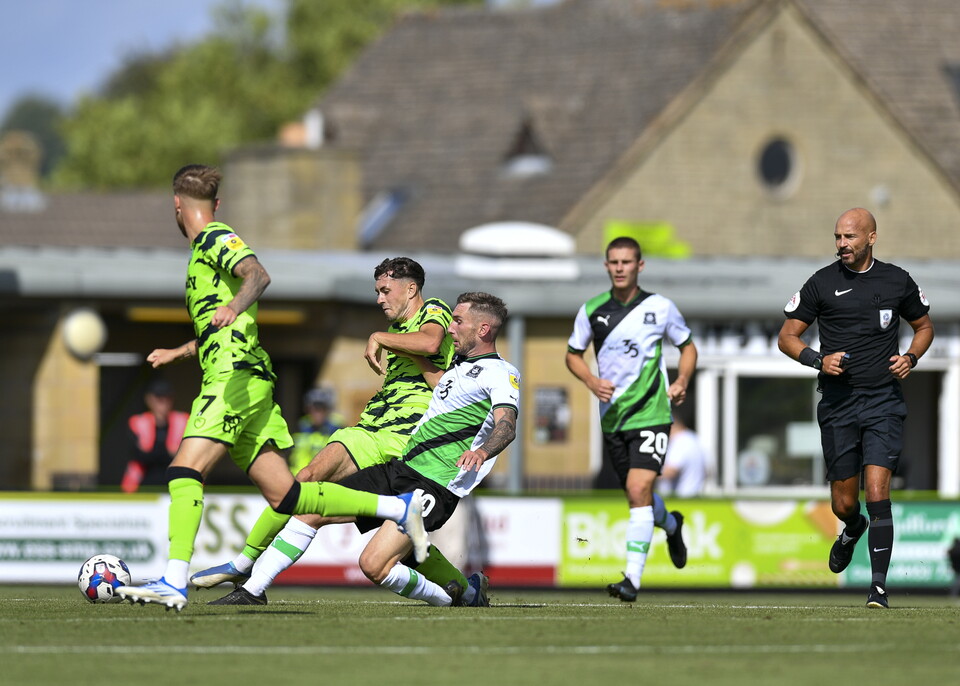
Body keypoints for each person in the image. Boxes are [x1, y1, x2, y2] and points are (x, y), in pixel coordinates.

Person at [115, 166, 429, 612]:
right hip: (242, 376)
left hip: (233, 376)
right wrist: (180, 351)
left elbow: (257, 276)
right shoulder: (204, 249)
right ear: (215, 202)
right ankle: (398, 509)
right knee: (289, 495)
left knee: (184, 470)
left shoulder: (214, 237)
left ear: (177, 205)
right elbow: (221, 324)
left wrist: (235, 303)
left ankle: (173, 578)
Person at [209, 292, 518, 608]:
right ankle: (252, 590)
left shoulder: (501, 372)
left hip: (434, 485)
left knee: (372, 565)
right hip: (401, 469)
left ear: (482, 330)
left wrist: (483, 452)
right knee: (312, 509)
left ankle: (455, 599)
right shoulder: (456, 369)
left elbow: (507, 423)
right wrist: (405, 351)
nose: (451, 328)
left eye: (458, 321)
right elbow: (439, 385)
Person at [778, 207, 934, 610]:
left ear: (871, 238)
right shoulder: (821, 283)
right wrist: (817, 359)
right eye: (837, 238)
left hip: (883, 402)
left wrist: (912, 357)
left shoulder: (897, 280)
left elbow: (924, 327)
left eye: (849, 237)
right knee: (844, 504)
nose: (841, 245)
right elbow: (787, 336)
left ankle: (878, 588)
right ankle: (852, 529)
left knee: (878, 491)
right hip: (838, 404)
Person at [566, 236, 697, 602]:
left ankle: (632, 581)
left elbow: (687, 347)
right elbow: (572, 354)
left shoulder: (660, 307)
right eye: (614, 262)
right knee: (637, 495)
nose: (620, 268)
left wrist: (682, 379)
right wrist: (591, 380)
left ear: (640, 266)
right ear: (606, 266)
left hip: (652, 413)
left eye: (627, 262)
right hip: (613, 419)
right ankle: (671, 525)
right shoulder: (592, 309)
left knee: (639, 491)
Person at [121, 378, 189, 493]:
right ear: (149, 399)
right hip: (142, 486)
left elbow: (187, 455)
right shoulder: (137, 422)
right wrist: (170, 454)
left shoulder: (183, 420)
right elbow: (139, 456)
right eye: (159, 398)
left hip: (174, 486)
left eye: (167, 398)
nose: (163, 402)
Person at [288, 387, 342, 475]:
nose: (317, 412)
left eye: (321, 408)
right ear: (307, 409)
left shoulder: (336, 429)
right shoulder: (299, 428)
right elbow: (293, 458)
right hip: (301, 479)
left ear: (327, 410)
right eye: (314, 408)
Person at [660, 414, 708, 497]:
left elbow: (671, 471)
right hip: (694, 496)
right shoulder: (695, 439)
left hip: (680, 499)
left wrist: (644, 474)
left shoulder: (680, 442)